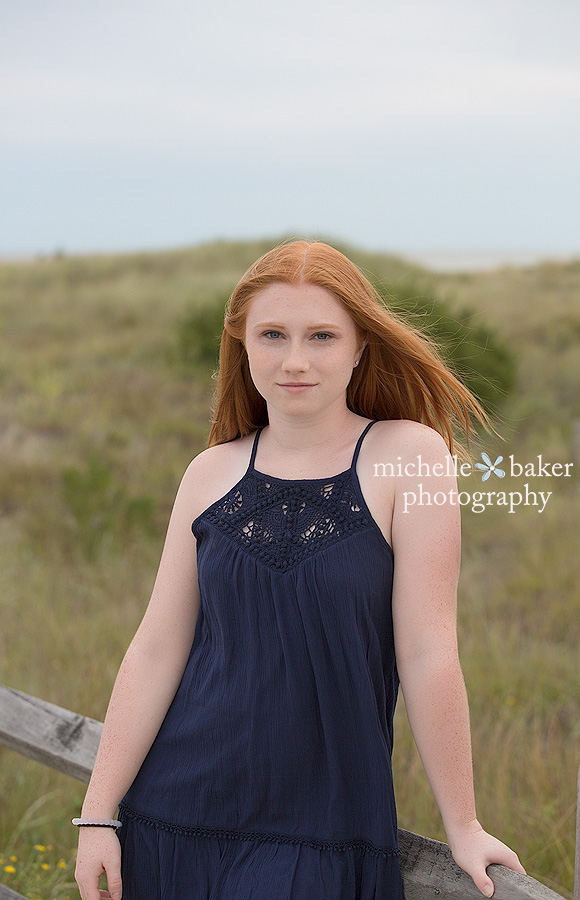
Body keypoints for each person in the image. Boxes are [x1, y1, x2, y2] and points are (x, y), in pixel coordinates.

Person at [74, 240, 526, 900]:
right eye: (273, 335)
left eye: (321, 335)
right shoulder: (210, 473)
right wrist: (97, 814)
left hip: (325, 831)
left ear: (360, 345)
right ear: (243, 345)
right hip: (175, 815)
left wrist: (464, 824)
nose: (295, 360)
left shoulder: (409, 458)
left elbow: (429, 651)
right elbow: (154, 651)